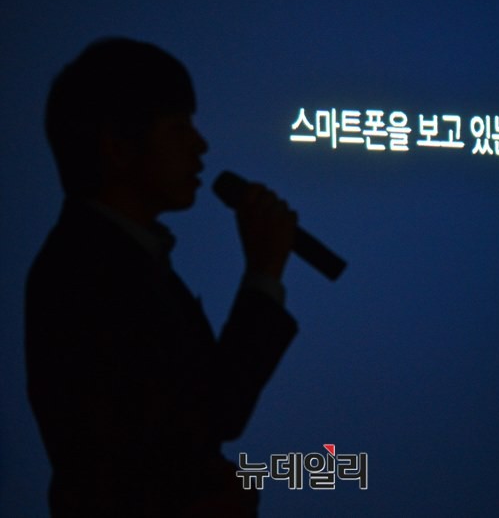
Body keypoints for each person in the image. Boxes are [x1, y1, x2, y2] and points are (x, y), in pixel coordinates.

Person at [25, 37, 299, 517]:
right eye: (178, 128)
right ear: (117, 149)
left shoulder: (113, 258)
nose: (200, 146)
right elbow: (210, 411)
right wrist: (263, 273)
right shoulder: (92, 273)